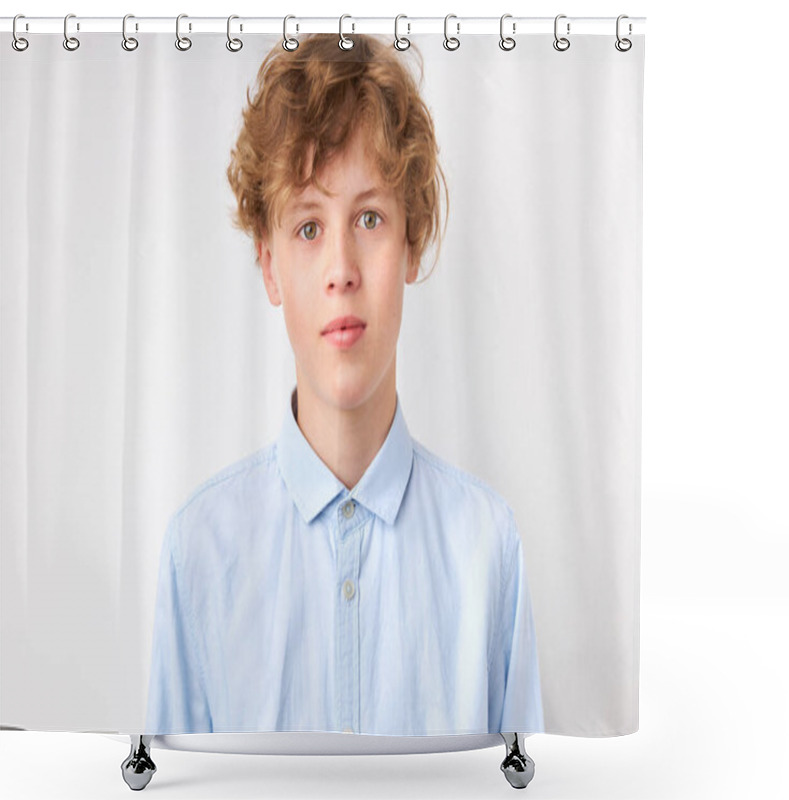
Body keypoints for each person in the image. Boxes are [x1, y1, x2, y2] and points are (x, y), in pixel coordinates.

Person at [145, 32, 544, 737]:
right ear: (268, 266)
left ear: (412, 242)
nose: (341, 269)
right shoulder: (199, 552)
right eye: (307, 227)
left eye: (369, 218)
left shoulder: (489, 549)